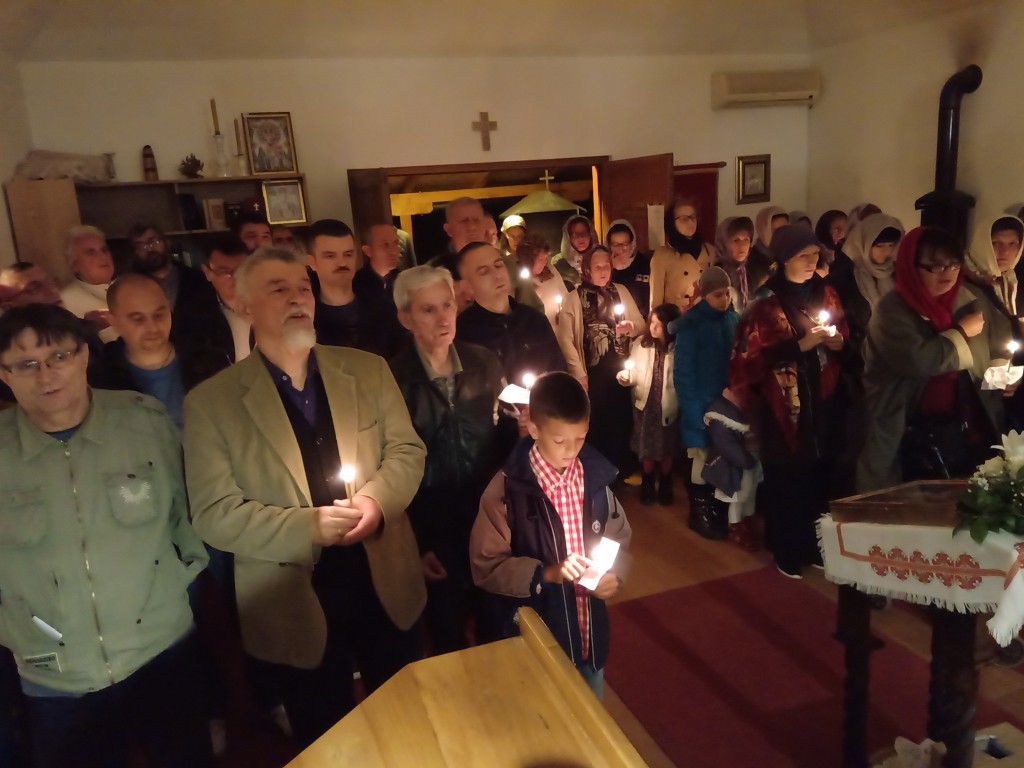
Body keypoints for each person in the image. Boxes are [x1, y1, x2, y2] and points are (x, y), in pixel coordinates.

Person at [183, 247, 426, 748]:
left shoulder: (367, 370)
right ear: (244, 305)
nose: (298, 298)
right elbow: (214, 514)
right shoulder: (212, 403)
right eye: (279, 289)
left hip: (382, 576)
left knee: (407, 723)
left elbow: (407, 450)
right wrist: (308, 528)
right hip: (290, 594)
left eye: (303, 287)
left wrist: (376, 503)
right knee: (326, 736)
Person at [0, 303, 211, 768]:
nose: (46, 375)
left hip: (162, 648)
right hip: (55, 675)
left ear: (83, 355)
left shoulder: (143, 421)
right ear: (5, 374)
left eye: (59, 356)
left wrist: (176, 582)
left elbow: (186, 515)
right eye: (26, 364)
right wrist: (18, 629)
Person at [470, 372, 632, 699]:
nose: (571, 451)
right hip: (535, 644)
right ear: (534, 428)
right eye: (559, 441)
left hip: (589, 638)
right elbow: (486, 565)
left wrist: (613, 575)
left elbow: (619, 535)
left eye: (581, 438)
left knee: (590, 714)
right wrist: (546, 573)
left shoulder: (595, 480)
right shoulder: (506, 492)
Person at [389, 266, 512, 654]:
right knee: (448, 636)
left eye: (447, 305)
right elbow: (389, 471)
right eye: (428, 310)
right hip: (435, 524)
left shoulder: (484, 363)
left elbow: (505, 438)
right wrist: (418, 543)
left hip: (487, 520)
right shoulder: (390, 379)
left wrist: (526, 429)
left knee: (498, 628)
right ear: (406, 317)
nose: (444, 318)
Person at [729, 225, 849, 578]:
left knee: (818, 475)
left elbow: (845, 332)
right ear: (783, 260)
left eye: (815, 255)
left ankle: (814, 545)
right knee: (787, 479)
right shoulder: (765, 303)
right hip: (782, 406)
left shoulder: (827, 293)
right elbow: (747, 360)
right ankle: (786, 549)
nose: (811, 262)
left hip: (823, 400)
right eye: (802, 256)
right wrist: (799, 346)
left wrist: (840, 343)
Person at [857, 227, 1011, 492]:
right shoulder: (892, 311)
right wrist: (960, 333)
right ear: (911, 266)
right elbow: (920, 360)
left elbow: (1000, 339)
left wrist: (1001, 378)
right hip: (908, 423)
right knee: (907, 496)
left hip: (969, 422)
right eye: (936, 266)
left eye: (953, 265)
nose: (948, 274)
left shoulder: (969, 297)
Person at [97, 274, 226, 430]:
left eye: (159, 314)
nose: (152, 327)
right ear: (113, 321)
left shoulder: (209, 362)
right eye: (138, 319)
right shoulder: (102, 382)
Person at [556, 245, 645, 471]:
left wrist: (630, 327)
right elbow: (566, 339)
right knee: (598, 419)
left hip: (620, 369)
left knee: (621, 417)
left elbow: (640, 325)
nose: (604, 270)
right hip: (592, 372)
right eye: (598, 267)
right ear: (587, 269)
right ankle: (600, 469)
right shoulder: (574, 298)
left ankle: (621, 466)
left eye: (607, 265)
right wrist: (578, 372)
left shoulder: (621, 291)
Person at [673, 267, 740, 539]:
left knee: (722, 456)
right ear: (704, 295)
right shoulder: (692, 325)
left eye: (727, 294)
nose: (724, 300)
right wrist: (693, 412)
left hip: (726, 402)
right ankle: (699, 512)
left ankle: (717, 509)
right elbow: (683, 373)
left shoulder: (733, 319)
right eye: (717, 295)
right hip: (701, 404)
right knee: (701, 458)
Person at [456, 242, 567, 385]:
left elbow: (559, 373)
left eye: (498, 265)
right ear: (467, 284)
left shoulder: (534, 319)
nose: (497, 275)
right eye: (484, 272)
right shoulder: (463, 334)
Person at [617, 302, 681, 505]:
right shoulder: (641, 345)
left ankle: (665, 482)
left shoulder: (678, 349)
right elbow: (634, 372)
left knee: (666, 447)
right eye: (652, 322)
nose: (653, 327)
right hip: (645, 407)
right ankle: (647, 481)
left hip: (667, 407)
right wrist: (626, 377)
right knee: (646, 448)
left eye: (659, 324)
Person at [827, 213, 904, 372]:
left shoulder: (899, 274)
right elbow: (842, 323)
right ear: (864, 243)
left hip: (897, 359)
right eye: (880, 246)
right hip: (859, 362)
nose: (886, 252)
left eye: (891, 245)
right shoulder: (845, 278)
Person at [128, 223, 217, 341]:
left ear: (167, 242)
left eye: (154, 241)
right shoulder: (132, 289)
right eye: (141, 246)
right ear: (135, 253)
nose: (150, 249)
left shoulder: (199, 279)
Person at [702, 387, 762, 551]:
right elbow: (726, 445)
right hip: (733, 466)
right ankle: (735, 526)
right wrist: (745, 460)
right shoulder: (721, 414)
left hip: (751, 461)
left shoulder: (748, 408)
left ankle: (747, 521)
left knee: (749, 495)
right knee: (737, 498)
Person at [308, 219, 371, 351]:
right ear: (312, 262)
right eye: (330, 256)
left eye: (348, 254)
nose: (342, 263)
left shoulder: (383, 308)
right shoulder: (306, 318)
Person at [353, 222, 407, 357]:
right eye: (385, 245)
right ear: (368, 251)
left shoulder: (405, 281)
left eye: (395, 243)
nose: (393, 250)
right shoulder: (356, 285)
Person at [650, 200, 713, 311]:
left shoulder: (709, 250)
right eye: (684, 219)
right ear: (672, 223)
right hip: (678, 316)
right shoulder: (662, 255)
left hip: (705, 314)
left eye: (693, 217)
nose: (690, 222)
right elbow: (656, 300)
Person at [58, 225, 118, 342]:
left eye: (104, 250)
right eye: (91, 252)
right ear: (74, 265)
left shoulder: (128, 289)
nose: (103, 256)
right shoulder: (65, 303)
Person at [966, 214, 1024, 316]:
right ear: (981, 244)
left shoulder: (1010, 279)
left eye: (1012, 244)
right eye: (995, 243)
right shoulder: (961, 282)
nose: (1005, 251)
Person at [713, 216, 772, 314]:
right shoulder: (718, 274)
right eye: (736, 240)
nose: (742, 246)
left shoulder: (747, 269)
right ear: (724, 243)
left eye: (746, 240)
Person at [517, 235, 568, 327]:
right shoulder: (519, 281)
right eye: (540, 259)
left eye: (546, 258)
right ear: (528, 260)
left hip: (558, 326)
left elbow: (565, 296)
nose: (545, 262)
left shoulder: (551, 271)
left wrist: (565, 312)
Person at [607, 219, 651, 319]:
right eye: (616, 245)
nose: (621, 249)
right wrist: (611, 268)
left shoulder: (645, 264)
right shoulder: (605, 266)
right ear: (609, 245)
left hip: (641, 320)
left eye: (625, 244)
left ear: (632, 243)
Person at [552, 214, 597, 288]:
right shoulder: (558, 263)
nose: (580, 237)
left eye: (584, 232)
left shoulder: (600, 259)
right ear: (568, 237)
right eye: (575, 234)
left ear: (591, 234)